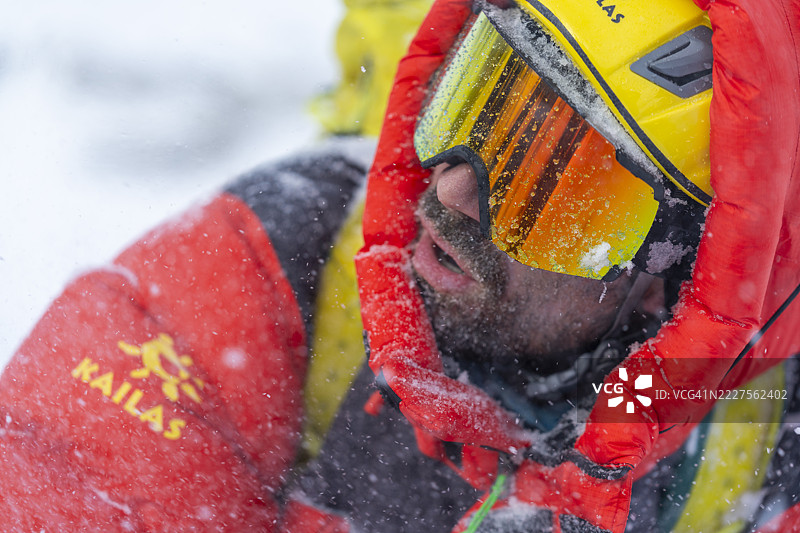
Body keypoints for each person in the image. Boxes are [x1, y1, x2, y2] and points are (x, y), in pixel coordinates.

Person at [1, 1, 799, 532]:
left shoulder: (768, 433)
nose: (451, 192)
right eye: (473, 104)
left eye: (552, 183)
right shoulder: (264, 267)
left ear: (669, 268)